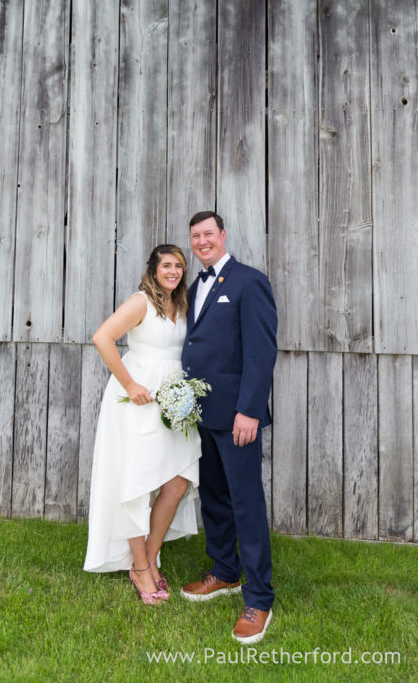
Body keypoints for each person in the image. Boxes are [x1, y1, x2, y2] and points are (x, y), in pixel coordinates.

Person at [180, 211, 278, 644]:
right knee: (215, 498)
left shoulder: (248, 281)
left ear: (223, 236)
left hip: (237, 417)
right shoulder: (193, 287)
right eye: (194, 236)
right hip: (201, 415)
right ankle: (224, 571)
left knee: (245, 503)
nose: (202, 242)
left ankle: (258, 597)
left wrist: (250, 410)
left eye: (208, 234)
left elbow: (261, 351)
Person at [84, 244, 201, 605]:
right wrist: (130, 384)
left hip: (173, 402)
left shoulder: (181, 304)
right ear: (153, 269)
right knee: (136, 482)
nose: (174, 271)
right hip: (139, 400)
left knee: (178, 482)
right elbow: (102, 338)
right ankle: (140, 567)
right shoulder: (141, 301)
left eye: (179, 266)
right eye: (167, 265)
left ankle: (148, 558)